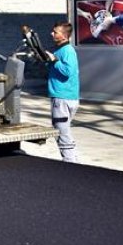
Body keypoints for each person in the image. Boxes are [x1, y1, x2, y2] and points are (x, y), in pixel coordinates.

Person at [44, 22, 80, 163]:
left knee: (61, 133)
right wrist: (49, 60)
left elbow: (67, 72)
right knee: (65, 132)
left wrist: (54, 60)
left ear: (64, 35)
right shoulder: (60, 50)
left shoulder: (68, 51)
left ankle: (69, 165)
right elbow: (56, 67)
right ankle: (73, 161)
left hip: (62, 98)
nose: (52, 34)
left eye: (55, 32)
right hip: (63, 97)